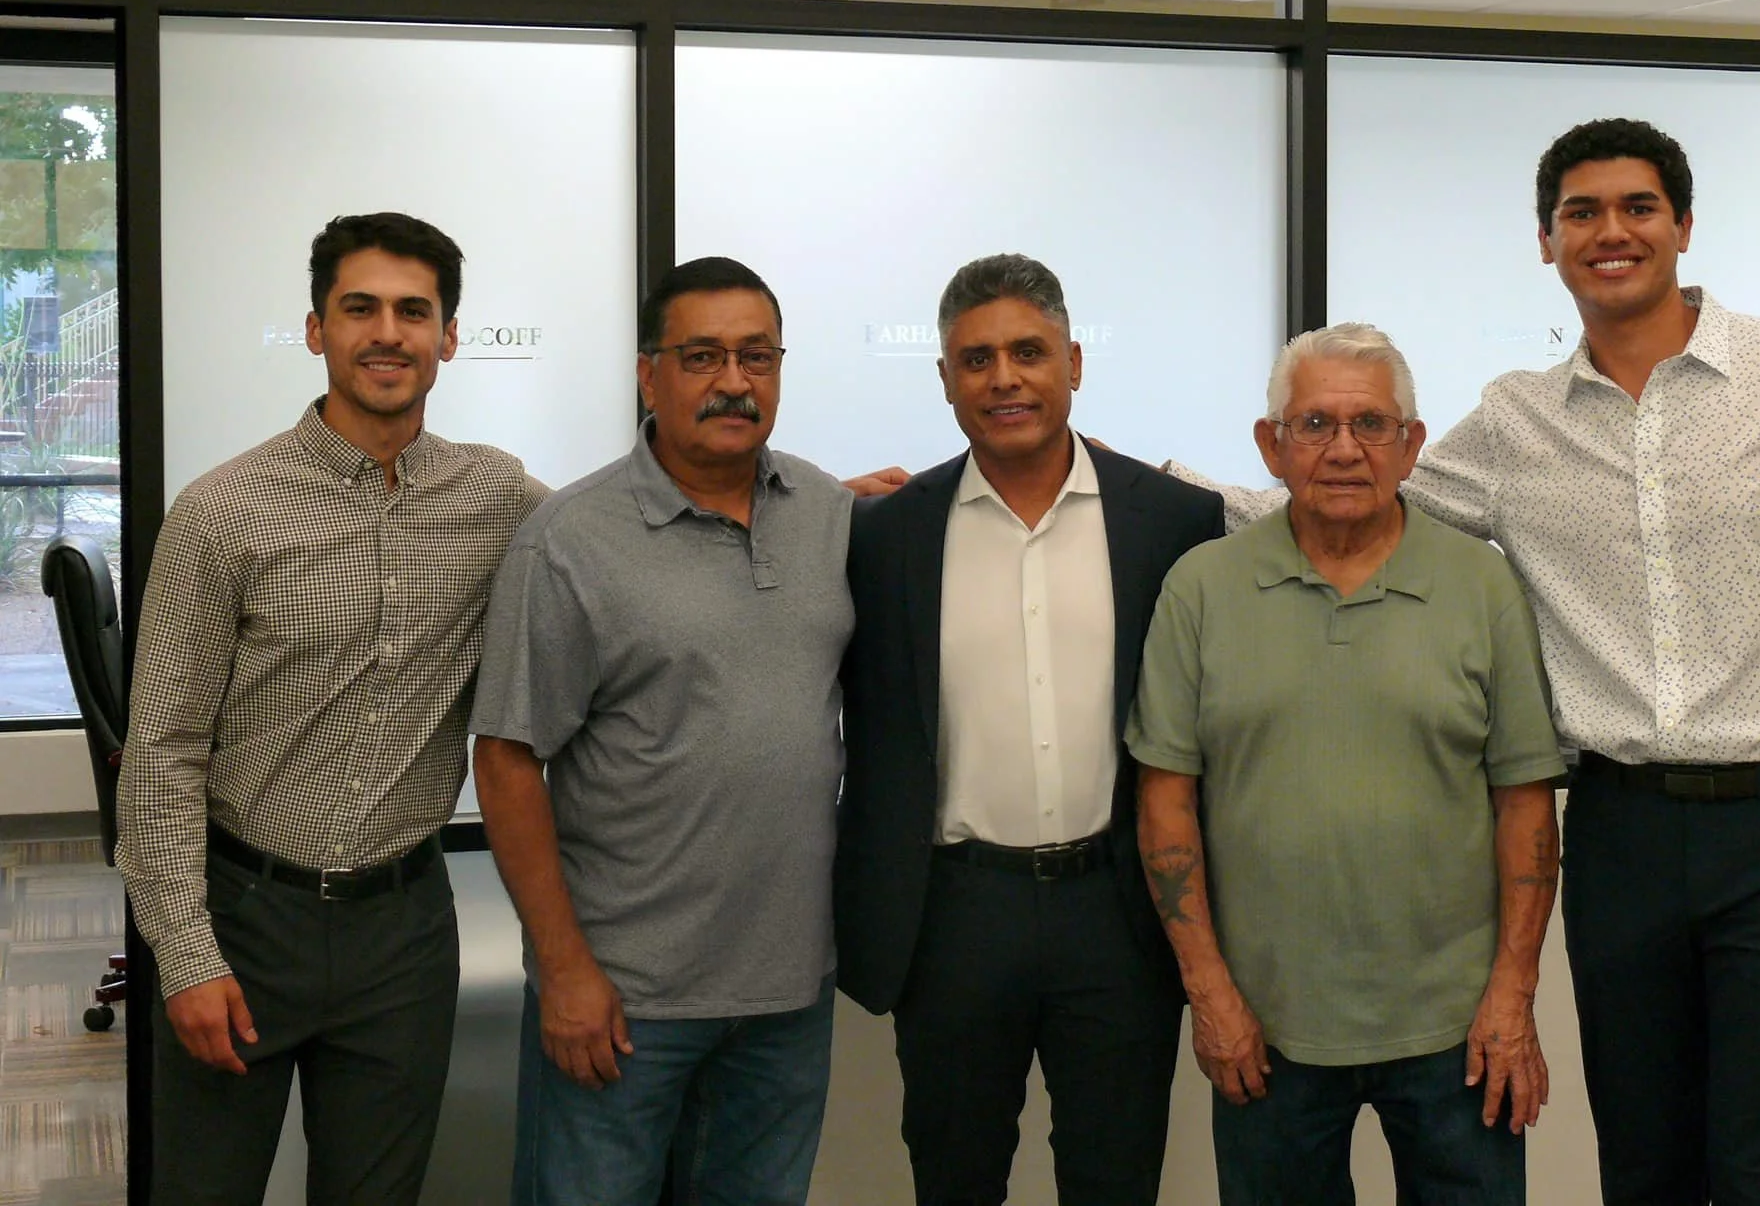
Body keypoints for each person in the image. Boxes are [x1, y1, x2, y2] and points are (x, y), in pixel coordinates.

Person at [1170, 117, 1760, 1206]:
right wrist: (1116, 477)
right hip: (1619, 835)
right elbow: (1344, 492)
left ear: (1681, 226)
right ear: (1543, 242)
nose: (1610, 232)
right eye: (1579, 213)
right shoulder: (1515, 422)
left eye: (1636, 208)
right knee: (1641, 1160)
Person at [117, 212, 543, 1205]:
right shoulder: (222, 512)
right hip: (242, 916)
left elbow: (628, 537)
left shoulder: (495, 494)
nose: (386, 332)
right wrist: (184, 956)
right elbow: (162, 755)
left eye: (413, 311)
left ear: (448, 335)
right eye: (359, 308)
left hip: (404, 931)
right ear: (317, 330)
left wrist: (810, 502)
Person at [1128, 324, 1564, 1206]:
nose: (1342, 450)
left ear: (1412, 445)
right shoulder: (1201, 588)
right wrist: (1209, 993)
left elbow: (1525, 806)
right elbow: (1166, 804)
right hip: (1267, 1028)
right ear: (1270, 445)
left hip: (1458, 1033)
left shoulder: (1482, 587)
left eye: (1370, 424)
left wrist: (1513, 999)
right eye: (1314, 424)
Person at [834, 253, 1225, 1205]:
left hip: (1118, 913)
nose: (1003, 378)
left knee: (1116, 1176)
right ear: (944, 382)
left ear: (1074, 363)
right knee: (955, 1178)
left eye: (1027, 352)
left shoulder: (1175, 520)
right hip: (955, 914)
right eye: (975, 360)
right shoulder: (881, 538)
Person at [470, 256, 856, 1206]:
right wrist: (562, 971)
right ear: (650, 375)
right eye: (704, 357)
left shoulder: (828, 515)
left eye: (757, 357)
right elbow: (508, 761)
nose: (735, 381)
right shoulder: (568, 540)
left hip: (786, 995)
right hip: (625, 998)